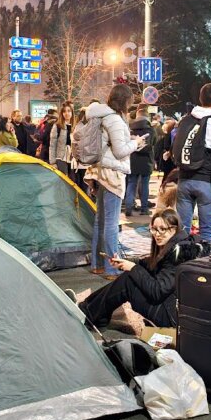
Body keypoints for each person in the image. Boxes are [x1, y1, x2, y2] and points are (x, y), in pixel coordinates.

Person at [78, 209, 201, 328]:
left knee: (129, 281)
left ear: (174, 229)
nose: (157, 234)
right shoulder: (179, 245)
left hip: (173, 317)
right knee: (132, 276)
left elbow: (157, 292)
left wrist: (133, 268)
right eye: (154, 229)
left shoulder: (178, 255)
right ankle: (90, 308)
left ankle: (89, 312)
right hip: (176, 310)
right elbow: (151, 264)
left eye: (162, 229)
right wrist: (126, 263)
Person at [79, 84, 143, 280]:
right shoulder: (114, 119)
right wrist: (136, 143)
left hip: (100, 171)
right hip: (112, 174)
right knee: (111, 223)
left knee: (100, 221)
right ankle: (112, 268)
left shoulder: (99, 115)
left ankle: (98, 265)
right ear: (124, 100)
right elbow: (120, 151)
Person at [173, 83, 211, 245]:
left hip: (184, 181)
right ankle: (201, 267)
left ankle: (181, 266)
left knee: (182, 232)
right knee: (206, 233)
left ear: (200, 99)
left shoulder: (185, 121)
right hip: (207, 182)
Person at [126, 105, 155, 217]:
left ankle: (128, 207)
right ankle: (144, 208)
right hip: (146, 160)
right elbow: (153, 143)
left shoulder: (130, 129)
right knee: (145, 184)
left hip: (133, 160)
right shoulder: (150, 129)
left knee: (131, 183)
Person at [48, 103, 75, 177]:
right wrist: (53, 162)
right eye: (64, 111)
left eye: (69, 111)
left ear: (72, 113)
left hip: (73, 159)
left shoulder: (75, 126)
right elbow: (52, 145)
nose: (67, 113)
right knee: (63, 181)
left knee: (72, 182)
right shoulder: (57, 126)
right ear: (61, 113)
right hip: (60, 158)